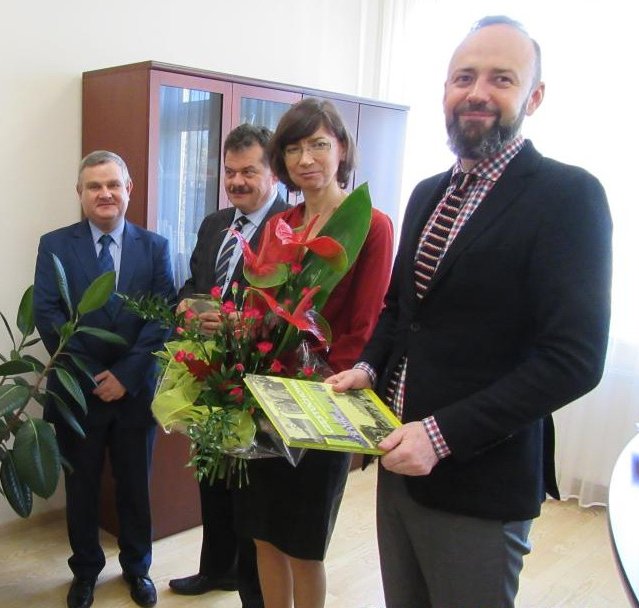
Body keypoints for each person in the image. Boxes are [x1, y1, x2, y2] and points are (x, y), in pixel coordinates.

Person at [328, 16, 612, 608]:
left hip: (480, 481)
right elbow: (401, 309)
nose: (477, 92)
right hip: (397, 461)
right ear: (445, 91)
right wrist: (369, 368)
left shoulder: (567, 196)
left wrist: (440, 437)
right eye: (464, 77)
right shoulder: (428, 192)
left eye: (501, 79)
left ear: (534, 96)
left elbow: (574, 360)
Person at [235, 98, 394, 608]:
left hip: (325, 401)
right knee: (263, 535)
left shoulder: (371, 225)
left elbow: (365, 323)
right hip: (269, 399)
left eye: (319, 145)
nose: (306, 159)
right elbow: (260, 306)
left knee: (303, 546)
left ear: (341, 148)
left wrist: (319, 391)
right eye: (294, 149)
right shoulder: (280, 223)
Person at [33, 150, 176, 608]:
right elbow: (48, 314)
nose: (105, 194)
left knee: (135, 489)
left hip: (134, 393)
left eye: (113, 184)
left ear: (128, 189)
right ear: (80, 193)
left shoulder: (155, 247)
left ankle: (138, 568)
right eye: (94, 186)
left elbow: (163, 317)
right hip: (79, 392)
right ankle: (85, 571)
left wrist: (126, 375)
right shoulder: (55, 245)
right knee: (81, 490)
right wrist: (93, 375)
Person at [169, 123, 289, 608]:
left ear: (273, 172)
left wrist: (244, 324)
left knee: (252, 501)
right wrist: (184, 307)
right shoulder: (215, 223)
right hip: (208, 375)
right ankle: (214, 570)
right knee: (213, 481)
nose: (237, 181)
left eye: (249, 172)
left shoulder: (290, 228)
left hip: (260, 382)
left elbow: (292, 312)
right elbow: (194, 283)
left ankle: (252, 592)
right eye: (230, 172)